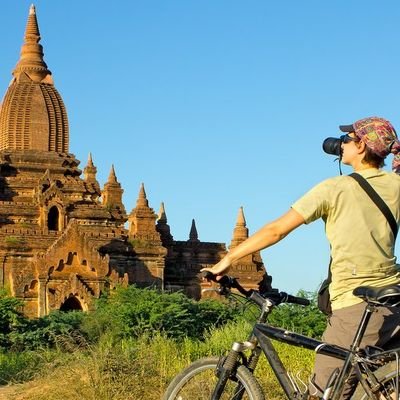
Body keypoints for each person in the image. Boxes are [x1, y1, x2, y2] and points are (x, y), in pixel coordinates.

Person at [202, 116, 400, 399]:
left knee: (322, 395)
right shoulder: (395, 185)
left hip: (355, 305)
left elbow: (275, 230)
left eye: (347, 139)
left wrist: (227, 260)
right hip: (395, 301)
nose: (341, 144)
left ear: (361, 147)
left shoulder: (334, 188)